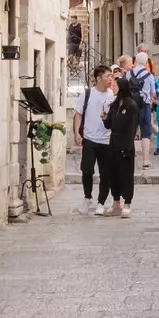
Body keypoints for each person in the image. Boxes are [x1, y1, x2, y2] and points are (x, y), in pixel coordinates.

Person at [71, 65, 117, 213]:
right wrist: (77, 133)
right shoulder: (87, 94)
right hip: (90, 138)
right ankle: (87, 197)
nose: (111, 78)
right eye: (108, 76)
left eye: (111, 76)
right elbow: (78, 113)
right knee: (87, 170)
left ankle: (101, 202)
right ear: (98, 78)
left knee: (106, 173)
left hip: (107, 139)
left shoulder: (113, 96)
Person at [100, 72, 143, 218]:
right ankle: (116, 202)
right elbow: (109, 125)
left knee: (126, 174)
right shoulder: (114, 104)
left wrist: (128, 146)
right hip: (114, 142)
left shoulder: (131, 105)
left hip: (125, 144)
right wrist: (104, 118)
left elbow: (132, 128)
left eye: (116, 85)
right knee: (114, 173)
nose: (113, 87)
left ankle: (127, 203)